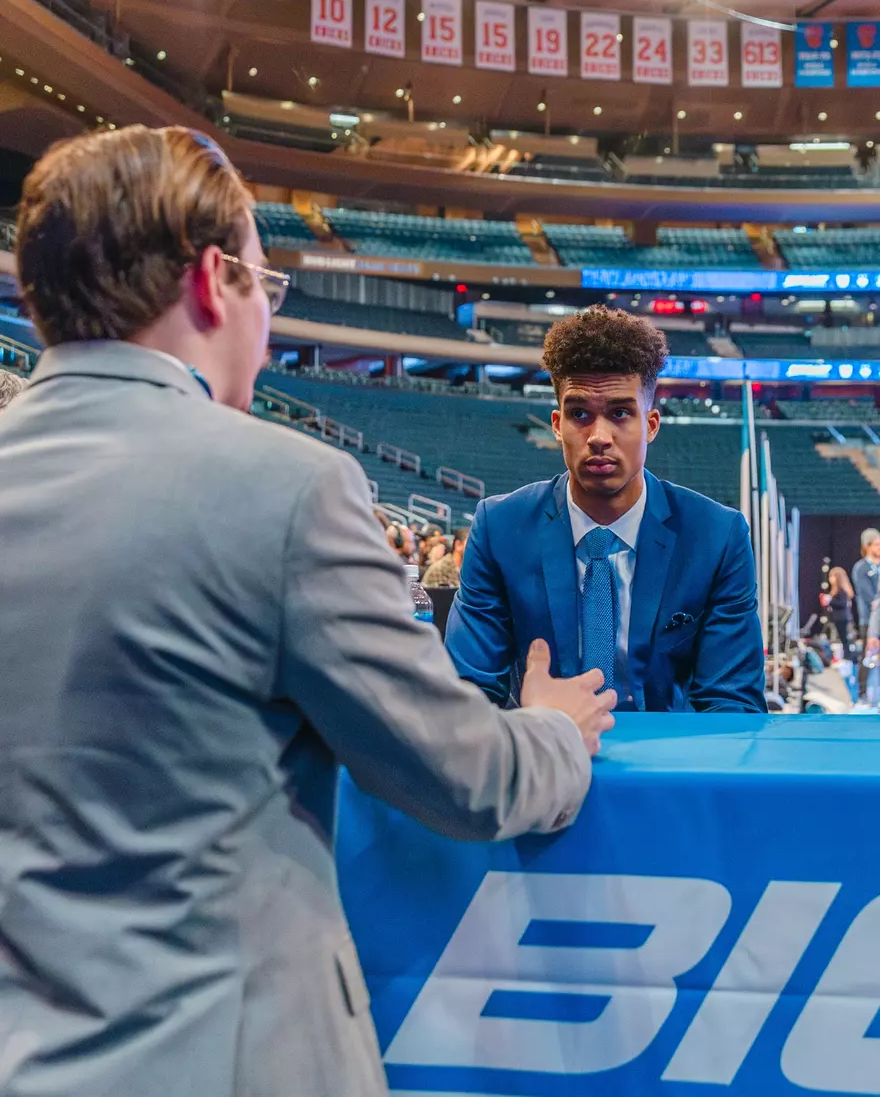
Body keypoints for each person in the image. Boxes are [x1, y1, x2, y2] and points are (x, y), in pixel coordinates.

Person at [0, 125, 617, 1097]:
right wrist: (553, 729)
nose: (270, 325)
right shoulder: (284, 486)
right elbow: (463, 775)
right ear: (214, 281)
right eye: (267, 287)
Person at [446, 305, 766, 714]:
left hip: (672, 766)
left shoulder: (717, 536)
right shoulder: (500, 528)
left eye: (619, 413)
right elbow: (467, 693)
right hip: (542, 758)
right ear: (558, 424)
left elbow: (732, 703)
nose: (599, 436)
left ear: (650, 424)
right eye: (580, 414)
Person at [851, 527, 880, 699]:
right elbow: (868, 595)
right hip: (868, 619)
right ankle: (862, 692)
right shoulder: (861, 568)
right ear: (868, 546)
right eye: (876, 544)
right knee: (868, 655)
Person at [822, 566, 856, 666]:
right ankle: (846, 657)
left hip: (843, 618)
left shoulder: (841, 591)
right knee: (843, 639)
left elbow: (842, 604)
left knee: (845, 639)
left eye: (832, 576)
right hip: (839, 618)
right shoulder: (836, 590)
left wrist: (830, 601)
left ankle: (848, 658)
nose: (830, 579)